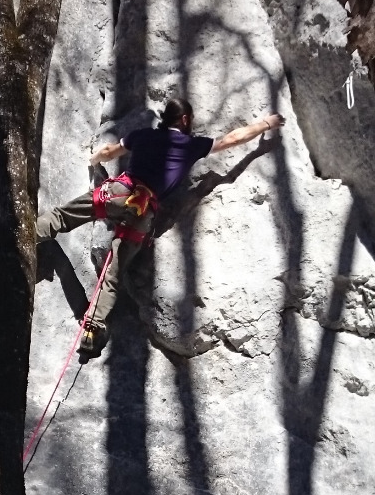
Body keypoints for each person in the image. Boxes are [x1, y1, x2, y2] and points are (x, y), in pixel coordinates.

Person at [36, 97, 286, 357]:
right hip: (143, 209)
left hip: (117, 192)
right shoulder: (191, 145)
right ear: (186, 120)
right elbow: (232, 139)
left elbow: (110, 152)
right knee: (113, 273)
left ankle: (24, 236)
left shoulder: (143, 135)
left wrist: (94, 159)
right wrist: (266, 124)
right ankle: (91, 330)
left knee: (62, 217)